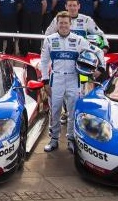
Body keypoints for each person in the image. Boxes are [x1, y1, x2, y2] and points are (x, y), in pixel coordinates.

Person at [39, 11, 105, 152]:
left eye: (66, 23)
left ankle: (71, 139)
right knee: (55, 110)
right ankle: (54, 139)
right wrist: (45, 81)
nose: (63, 25)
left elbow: (98, 51)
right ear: (57, 24)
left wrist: (101, 68)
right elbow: (44, 62)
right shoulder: (49, 39)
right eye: (61, 23)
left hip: (73, 79)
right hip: (55, 79)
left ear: (71, 24)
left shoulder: (79, 40)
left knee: (72, 111)